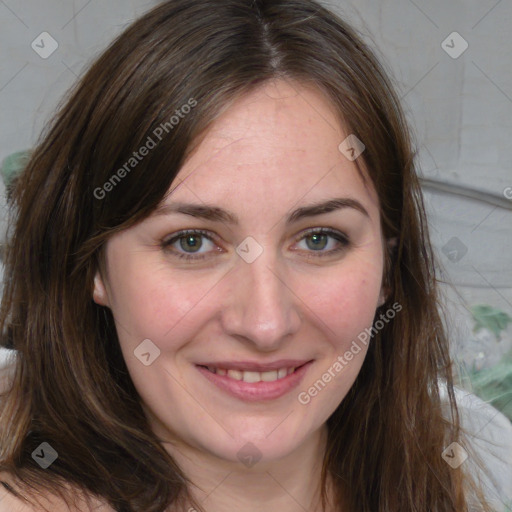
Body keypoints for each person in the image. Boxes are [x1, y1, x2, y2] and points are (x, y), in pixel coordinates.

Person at [0, 0, 505, 510]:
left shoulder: (478, 469)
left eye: (319, 239)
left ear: (388, 270)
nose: (265, 324)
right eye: (191, 242)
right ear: (93, 265)